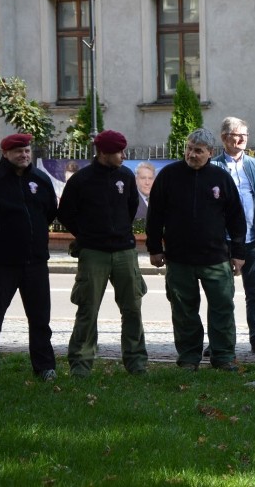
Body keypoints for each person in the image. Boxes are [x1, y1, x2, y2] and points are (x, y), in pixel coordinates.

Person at [146, 128, 246, 371]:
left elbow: (236, 217)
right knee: (183, 311)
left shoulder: (221, 179)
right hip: (179, 258)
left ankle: (223, 356)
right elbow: (155, 214)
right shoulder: (169, 175)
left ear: (210, 153)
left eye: (198, 151)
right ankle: (189, 357)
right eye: (189, 148)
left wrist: (239, 252)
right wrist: (154, 248)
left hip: (215, 258)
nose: (192, 154)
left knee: (222, 309)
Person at [0, 133, 58, 387]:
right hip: (2, 264)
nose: (24, 155)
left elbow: (48, 212)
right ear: (5, 153)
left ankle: (45, 368)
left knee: (40, 320)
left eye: (27, 151)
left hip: (36, 263)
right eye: (18, 151)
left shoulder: (40, 180)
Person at [57, 130, 149, 377]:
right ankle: (81, 363)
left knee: (132, 308)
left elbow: (130, 208)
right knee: (88, 309)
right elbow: (65, 213)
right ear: (104, 153)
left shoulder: (126, 176)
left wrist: (118, 231)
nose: (123, 156)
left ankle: (136, 362)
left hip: (124, 251)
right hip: (93, 253)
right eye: (119, 152)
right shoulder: (81, 179)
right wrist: (86, 235)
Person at [211, 116, 255, 355]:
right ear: (224, 137)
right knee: (220, 294)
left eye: (244, 136)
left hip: (251, 239)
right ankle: (219, 340)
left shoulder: (254, 165)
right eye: (235, 135)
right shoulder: (214, 166)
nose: (240, 140)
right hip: (223, 241)